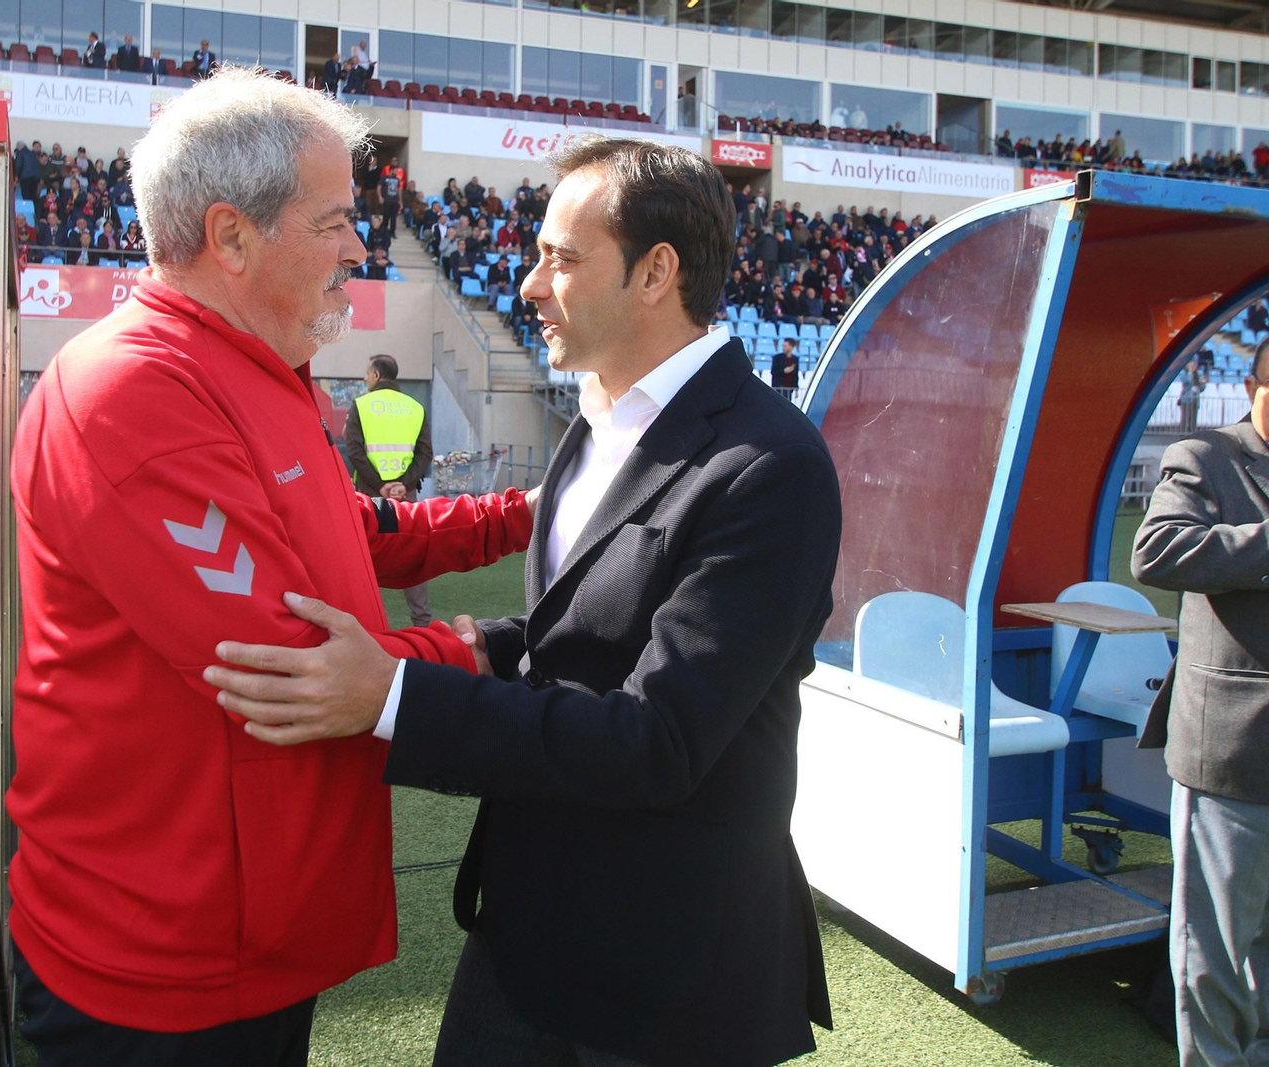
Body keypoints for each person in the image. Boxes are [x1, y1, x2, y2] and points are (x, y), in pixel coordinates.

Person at [209, 137, 840, 1067]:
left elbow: (659, 740)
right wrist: (481, 647)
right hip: (523, 929)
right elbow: (579, 636)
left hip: (668, 972)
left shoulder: (770, 466)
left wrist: (394, 695)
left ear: (656, 273)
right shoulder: (597, 425)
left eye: (562, 259)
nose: (531, 284)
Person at [6, 69, 532, 1067]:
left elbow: (348, 533)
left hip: (247, 929)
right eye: (334, 222)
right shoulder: (135, 392)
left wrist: (525, 516)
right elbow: (294, 669)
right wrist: (488, 649)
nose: (358, 247)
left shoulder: (254, 368)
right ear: (232, 236)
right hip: (164, 965)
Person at [1132, 337, 1269, 1067]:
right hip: (1235, 748)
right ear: (1253, 387)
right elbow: (1156, 550)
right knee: (1214, 944)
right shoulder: (1206, 455)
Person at [344, 355, 434, 627]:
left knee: (365, 556)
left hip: (370, 494)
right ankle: (423, 624)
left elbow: (354, 451)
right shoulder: (415, 407)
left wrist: (380, 486)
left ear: (376, 375)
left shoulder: (361, 405)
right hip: (406, 495)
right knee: (413, 555)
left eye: (367, 373)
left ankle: (366, 625)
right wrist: (403, 484)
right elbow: (425, 453)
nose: (364, 378)